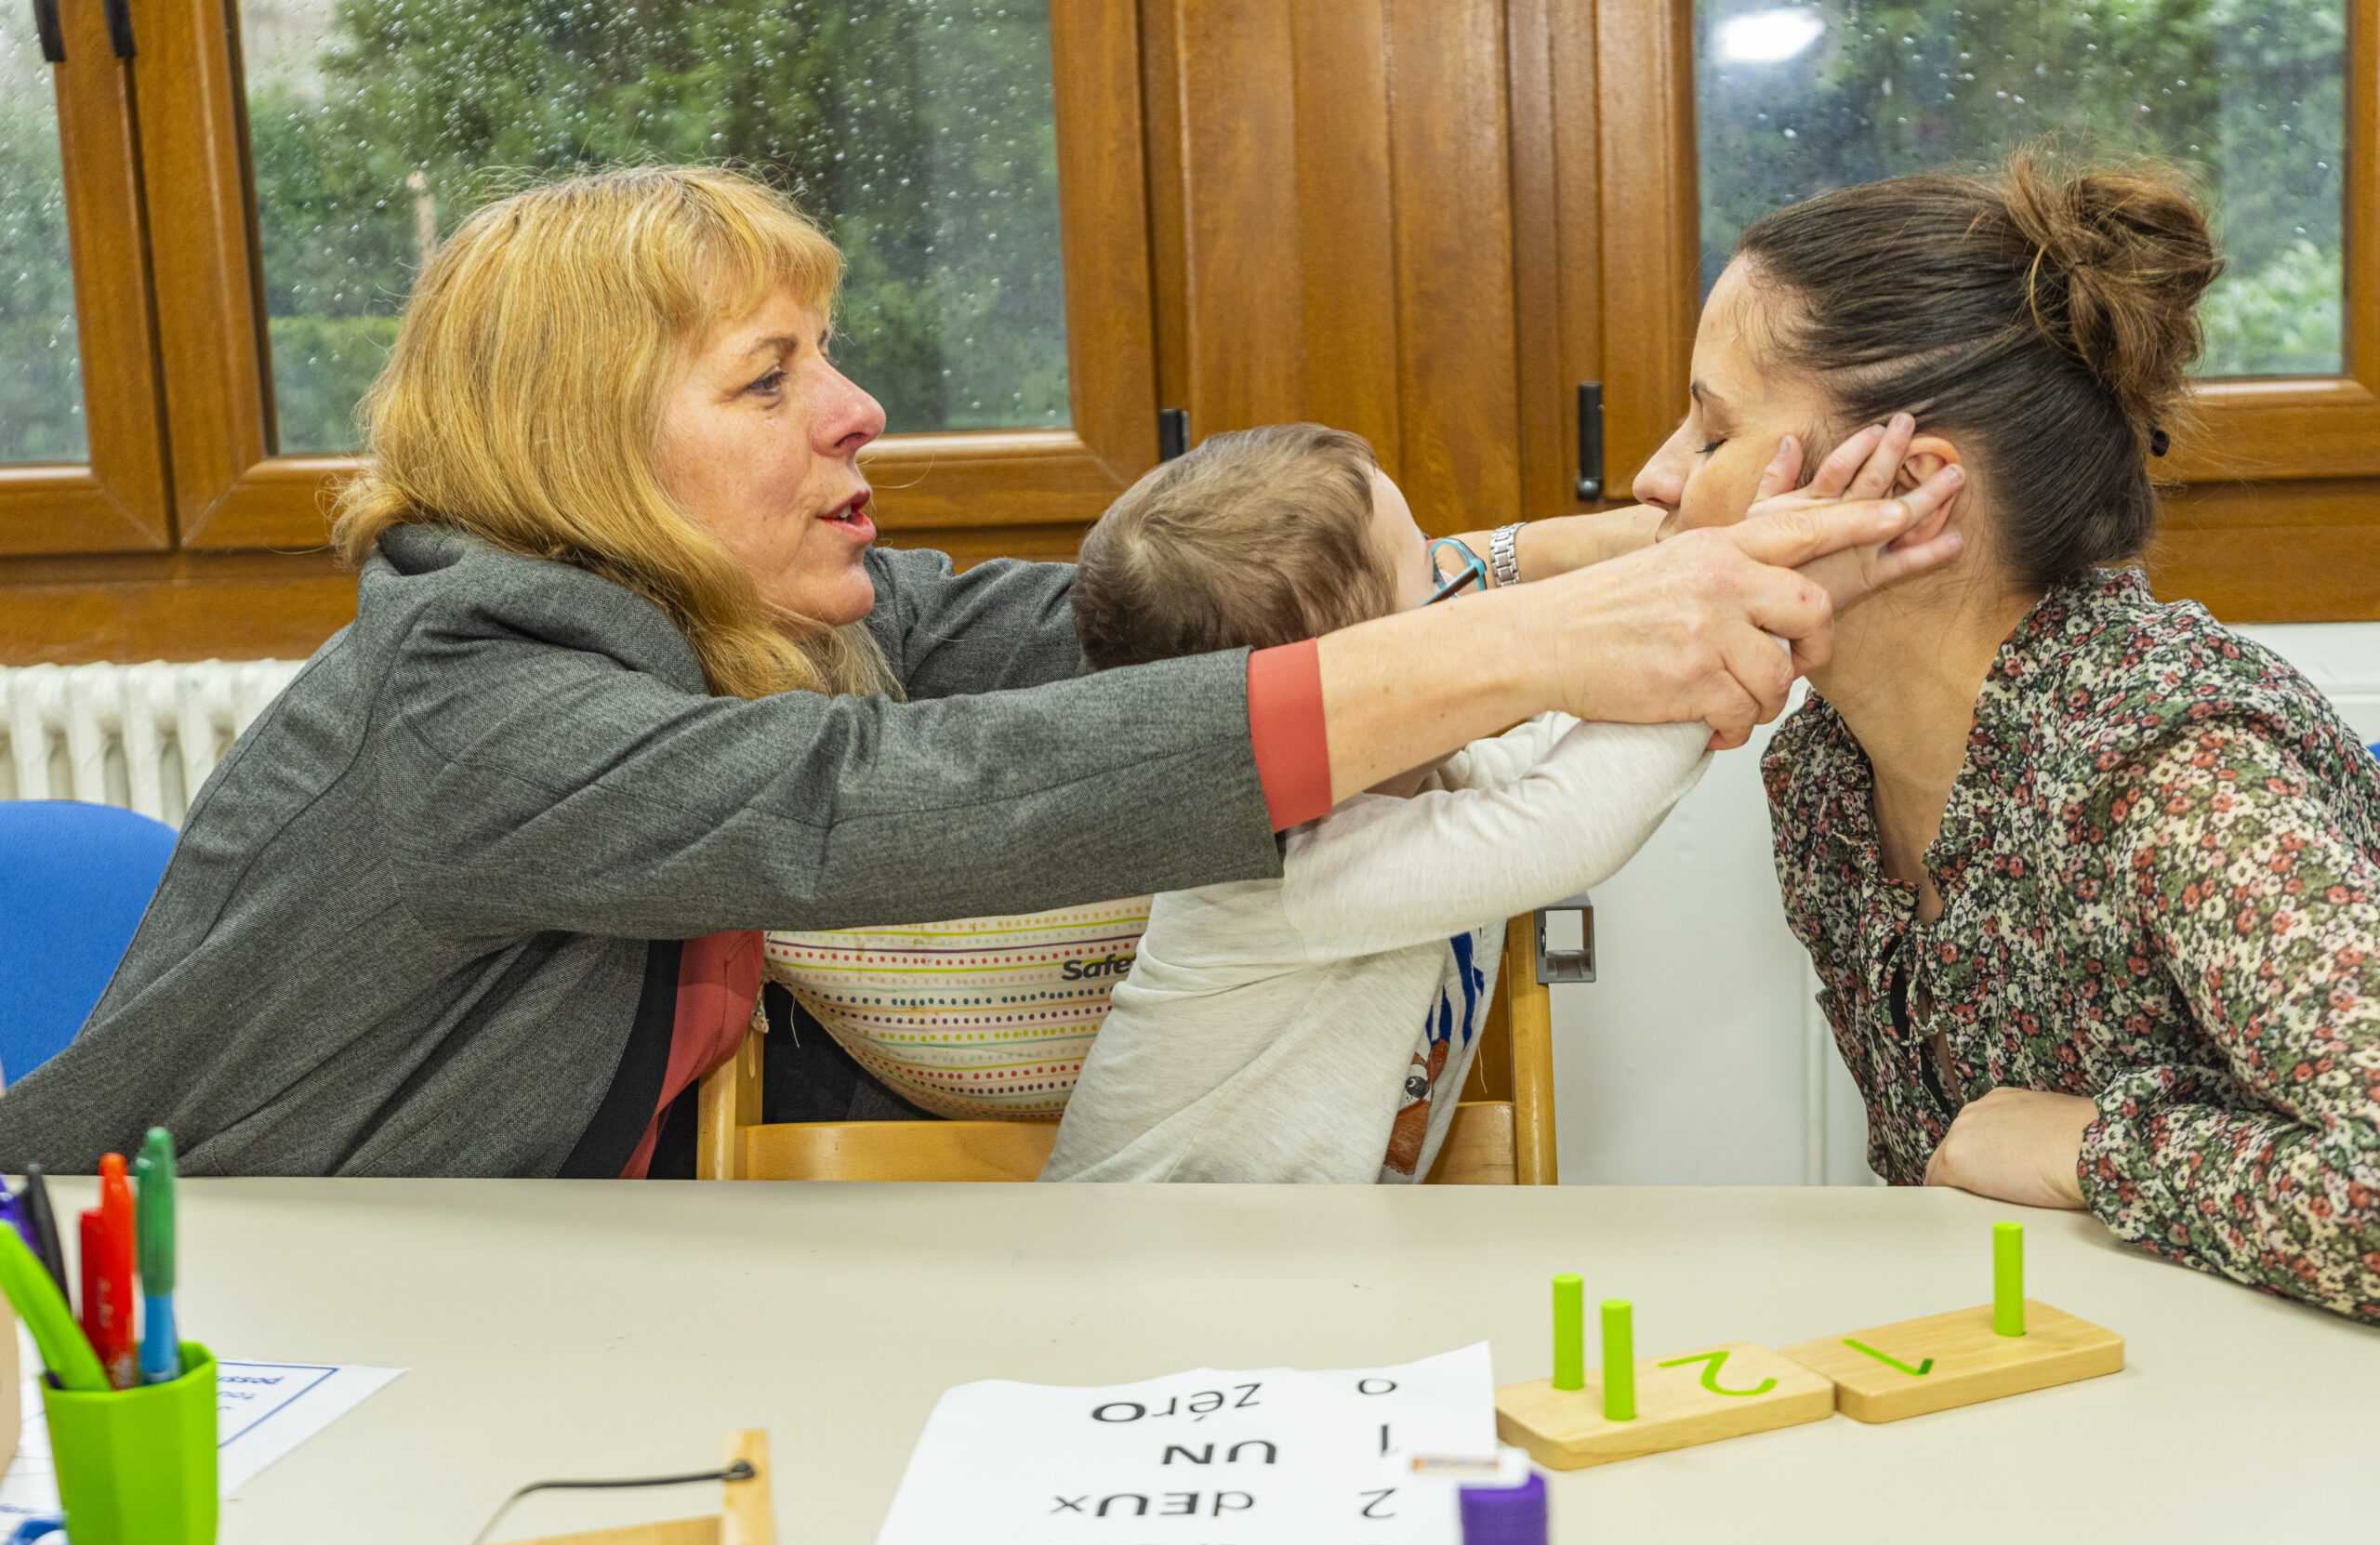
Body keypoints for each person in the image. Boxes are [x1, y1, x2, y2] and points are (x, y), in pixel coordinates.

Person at [0, 165, 1951, 1178]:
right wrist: (1515, 643)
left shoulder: (729, 612)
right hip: (187, 1305)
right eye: (768, 378)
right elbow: (879, 805)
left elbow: (1067, 630)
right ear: (589, 447)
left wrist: (1603, 553)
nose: (855, 407)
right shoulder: (477, 700)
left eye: (827, 352)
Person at [1633, 152, 2380, 1321]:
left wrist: (2094, 1148)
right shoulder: (1824, 779)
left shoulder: (2180, 772)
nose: (1654, 475)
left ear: (1905, 487)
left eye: (1713, 430)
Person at [1041, 425, 1713, 1182]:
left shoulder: (1420, 779)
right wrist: (1729, 635)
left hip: (1287, 1248)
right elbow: (1569, 822)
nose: (1470, 600)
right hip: (1134, 1250)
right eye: (1438, 588)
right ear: (1350, 689)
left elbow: (1552, 760)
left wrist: (1687, 600)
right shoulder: (1292, 866)